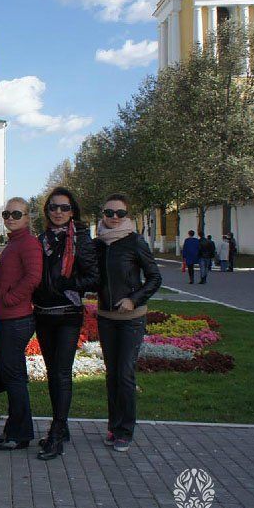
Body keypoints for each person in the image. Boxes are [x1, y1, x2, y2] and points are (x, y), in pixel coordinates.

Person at [32, 187, 99, 456]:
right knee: (52, 372)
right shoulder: (42, 239)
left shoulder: (81, 239)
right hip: (43, 313)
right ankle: (62, 424)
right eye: (54, 207)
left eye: (64, 208)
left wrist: (69, 283)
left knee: (61, 371)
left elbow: (94, 277)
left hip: (68, 314)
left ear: (73, 212)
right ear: (47, 211)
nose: (58, 212)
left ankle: (57, 433)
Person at [95, 194, 162, 453]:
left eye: (119, 213)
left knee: (124, 374)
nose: (114, 217)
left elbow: (154, 278)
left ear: (127, 216)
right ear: (102, 213)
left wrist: (134, 299)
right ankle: (114, 426)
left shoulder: (135, 242)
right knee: (112, 375)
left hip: (130, 319)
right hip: (106, 318)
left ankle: (126, 430)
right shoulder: (98, 244)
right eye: (109, 212)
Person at [0, 199, 43, 453]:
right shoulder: (14, 242)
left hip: (16, 319)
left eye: (16, 214)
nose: (10, 217)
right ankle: (13, 429)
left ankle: (21, 434)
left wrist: (10, 299)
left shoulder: (28, 243)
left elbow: (33, 277)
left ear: (27, 217)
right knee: (11, 376)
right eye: (7, 213)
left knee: (14, 378)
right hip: (4, 318)